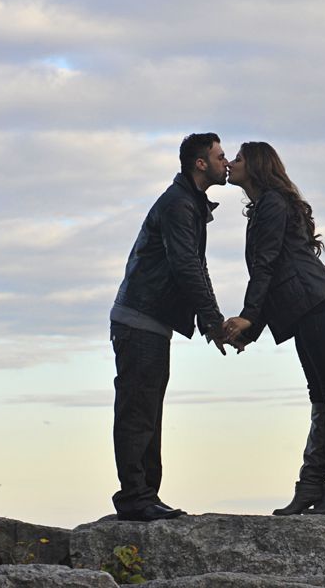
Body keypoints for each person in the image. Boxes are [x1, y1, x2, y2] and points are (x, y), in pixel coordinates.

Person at [223, 142, 325, 518]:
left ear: (256, 165)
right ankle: (312, 487)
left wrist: (248, 316)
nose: (231, 164)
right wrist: (249, 331)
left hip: (321, 304)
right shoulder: (267, 205)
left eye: (237, 158)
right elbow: (271, 276)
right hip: (308, 308)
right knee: (321, 397)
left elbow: (265, 267)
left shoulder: (271, 203)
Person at [108, 132, 236, 522]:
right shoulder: (180, 204)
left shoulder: (190, 204)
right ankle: (135, 497)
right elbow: (186, 268)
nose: (226, 162)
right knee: (138, 410)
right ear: (201, 164)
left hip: (150, 323)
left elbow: (196, 267)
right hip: (139, 320)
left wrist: (211, 322)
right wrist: (214, 322)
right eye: (220, 156)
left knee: (148, 409)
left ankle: (146, 494)